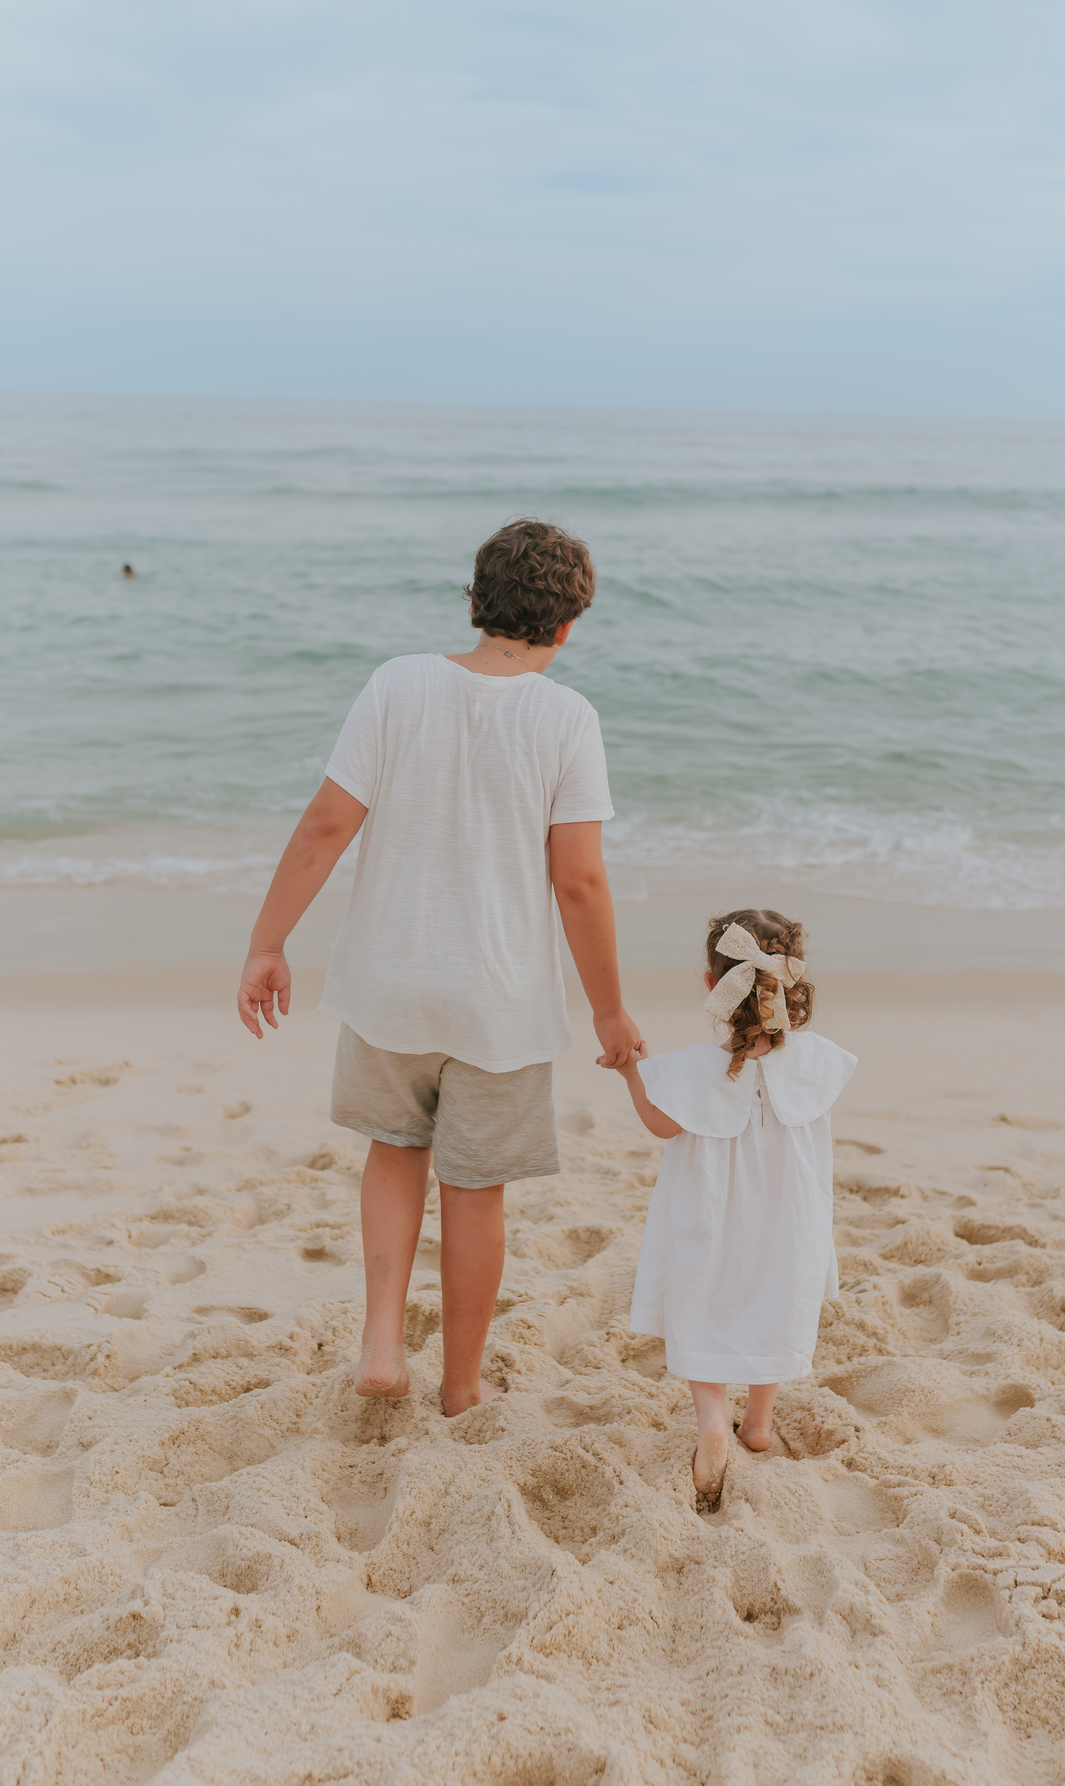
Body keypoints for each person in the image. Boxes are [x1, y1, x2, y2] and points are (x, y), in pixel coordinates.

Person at [237, 519, 644, 1417]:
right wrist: (609, 1010)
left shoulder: (398, 684)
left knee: (394, 1150)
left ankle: (383, 1344)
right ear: (568, 625)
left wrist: (269, 943)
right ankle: (460, 1386)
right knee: (475, 1187)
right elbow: (578, 881)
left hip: (391, 981)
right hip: (498, 1000)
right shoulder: (566, 718)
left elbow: (326, 825)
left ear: (475, 601)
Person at [603, 909, 856, 1501]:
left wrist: (633, 1071)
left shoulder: (695, 1069)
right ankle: (758, 1425)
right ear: (791, 982)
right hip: (789, 1223)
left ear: (712, 983)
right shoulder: (816, 1061)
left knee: (703, 1302)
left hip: (711, 1220)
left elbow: (660, 1125)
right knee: (777, 1301)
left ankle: (713, 1420)